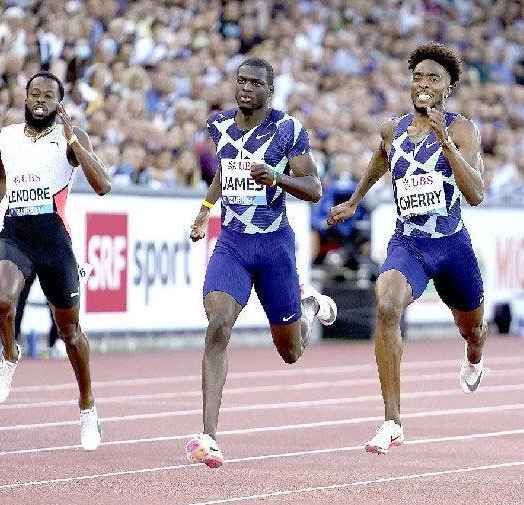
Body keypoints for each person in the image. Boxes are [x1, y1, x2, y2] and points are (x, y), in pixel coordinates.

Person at [327, 43, 488, 455]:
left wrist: (445, 141)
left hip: (452, 245)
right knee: (386, 305)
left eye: (433, 78)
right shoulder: (392, 129)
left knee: (472, 329)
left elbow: (476, 195)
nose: (423, 84)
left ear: (448, 88)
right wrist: (355, 200)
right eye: (418, 77)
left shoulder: (464, 129)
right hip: (409, 243)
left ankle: (473, 356)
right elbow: (380, 160)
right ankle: (392, 420)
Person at [185, 58, 338, 468]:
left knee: (290, 351)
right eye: (241, 81)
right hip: (232, 245)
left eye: (255, 83)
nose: (246, 88)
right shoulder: (218, 126)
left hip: (274, 249)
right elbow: (223, 170)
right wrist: (204, 210)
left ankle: (306, 307)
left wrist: (278, 177)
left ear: (270, 91)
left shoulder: (288, 130)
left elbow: (314, 188)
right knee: (217, 324)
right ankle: (209, 436)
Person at [0, 71, 111, 451]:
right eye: (34, 93)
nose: (40, 99)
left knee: (69, 333)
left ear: (59, 102)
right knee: (1, 299)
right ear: (25, 97)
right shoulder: (6, 136)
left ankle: (87, 405)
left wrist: (73, 140)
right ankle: (10, 353)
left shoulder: (71, 137)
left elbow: (103, 186)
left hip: (55, 242)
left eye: (48, 95)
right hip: (16, 234)